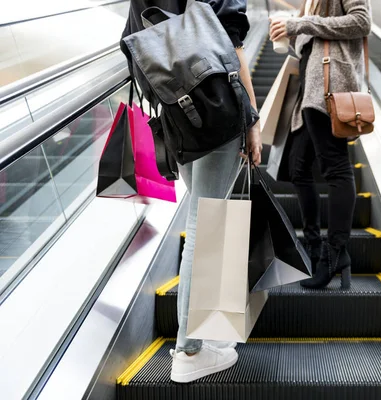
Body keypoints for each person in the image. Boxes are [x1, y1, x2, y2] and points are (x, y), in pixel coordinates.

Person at [122, 0, 262, 383]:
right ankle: (188, 350)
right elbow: (233, 48)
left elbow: (133, 47)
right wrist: (251, 120)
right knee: (206, 225)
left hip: (178, 121)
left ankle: (204, 337)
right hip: (218, 112)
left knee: (205, 221)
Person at [269, 0, 371, 290]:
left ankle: (335, 252)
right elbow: (309, 39)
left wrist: (300, 23)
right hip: (309, 89)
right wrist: (289, 32)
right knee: (298, 168)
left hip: (330, 87)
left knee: (336, 168)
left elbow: (361, 22)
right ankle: (315, 248)